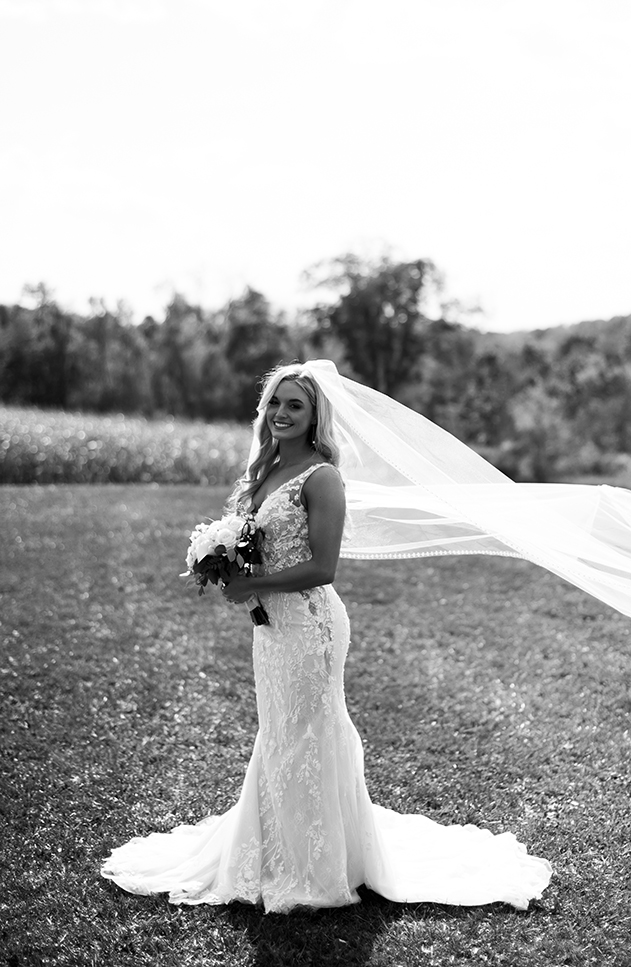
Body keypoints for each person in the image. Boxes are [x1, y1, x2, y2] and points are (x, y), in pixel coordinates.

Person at [102, 361, 555, 912]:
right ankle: (274, 849)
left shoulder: (321, 477)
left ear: (316, 417)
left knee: (307, 732)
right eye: (275, 403)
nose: (282, 414)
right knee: (279, 731)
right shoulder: (263, 471)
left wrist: (254, 583)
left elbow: (323, 568)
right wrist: (224, 565)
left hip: (311, 626)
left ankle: (316, 864)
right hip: (271, 629)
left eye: (296, 405)